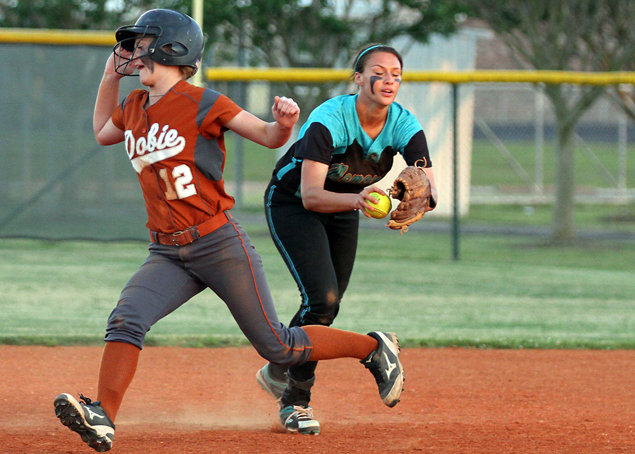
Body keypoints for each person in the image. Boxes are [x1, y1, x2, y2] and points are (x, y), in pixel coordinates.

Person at [52, 10, 404, 452]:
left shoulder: (204, 102)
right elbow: (102, 132)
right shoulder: (135, 107)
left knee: (277, 346)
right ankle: (103, 416)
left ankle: (372, 347)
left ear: (171, 49)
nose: (133, 53)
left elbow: (267, 136)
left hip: (218, 243)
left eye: (143, 44)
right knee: (126, 319)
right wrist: (108, 75)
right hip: (167, 252)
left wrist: (285, 124)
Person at [256, 43, 437, 435]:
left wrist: (419, 199)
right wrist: (358, 199)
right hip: (293, 204)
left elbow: (429, 187)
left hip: (343, 210)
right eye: (379, 71)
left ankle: (277, 369)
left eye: (396, 74)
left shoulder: (404, 125)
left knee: (326, 308)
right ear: (358, 78)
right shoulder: (331, 119)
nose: (389, 80)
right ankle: (295, 401)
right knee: (323, 298)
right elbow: (311, 195)